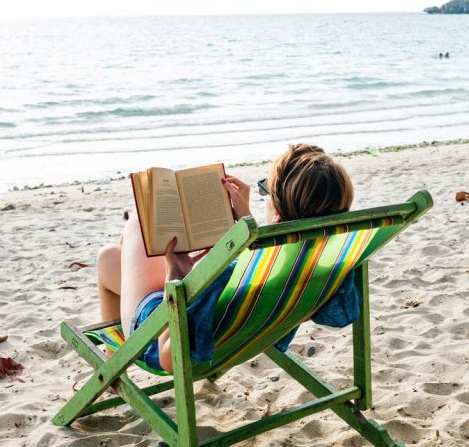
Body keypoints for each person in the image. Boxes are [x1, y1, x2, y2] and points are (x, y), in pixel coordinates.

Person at [96, 143, 361, 373]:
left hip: (155, 335)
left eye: (265, 192)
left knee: (131, 231)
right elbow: (339, 316)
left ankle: (113, 366)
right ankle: (112, 363)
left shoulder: (227, 277)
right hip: (239, 337)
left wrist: (175, 277)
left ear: (277, 214)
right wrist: (248, 228)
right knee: (113, 257)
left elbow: (170, 359)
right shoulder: (333, 264)